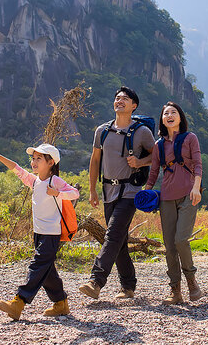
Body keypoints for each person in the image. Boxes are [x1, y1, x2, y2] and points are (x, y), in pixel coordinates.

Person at [79, 86, 155, 300]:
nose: (120, 101)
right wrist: (92, 189)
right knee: (118, 240)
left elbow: (157, 157)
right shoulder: (102, 131)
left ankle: (96, 281)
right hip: (107, 191)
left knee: (112, 235)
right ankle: (128, 285)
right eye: (117, 98)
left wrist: (140, 162)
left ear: (134, 106)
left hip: (130, 191)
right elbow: (95, 161)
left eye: (125, 98)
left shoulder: (142, 132)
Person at [0, 143, 79, 320]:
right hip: (38, 233)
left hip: (51, 234)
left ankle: (18, 302)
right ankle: (61, 303)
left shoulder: (55, 181)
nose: (34, 162)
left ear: (51, 162)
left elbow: (74, 193)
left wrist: (57, 193)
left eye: (39, 158)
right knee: (47, 271)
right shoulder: (35, 181)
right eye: (33, 158)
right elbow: (17, 168)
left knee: (38, 264)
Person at [144, 102, 203, 304]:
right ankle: (175, 291)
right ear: (162, 119)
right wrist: (147, 191)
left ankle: (192, 282)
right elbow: (153, 172)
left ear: (180, 117)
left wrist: (196, 187)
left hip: (188, 194)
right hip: (166, 198)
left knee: (180, 240)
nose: (169, 115)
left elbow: (197, 164)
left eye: (173, 112)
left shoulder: (190, 138)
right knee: (169, 246)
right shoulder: (159, 145)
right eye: (166, 113)